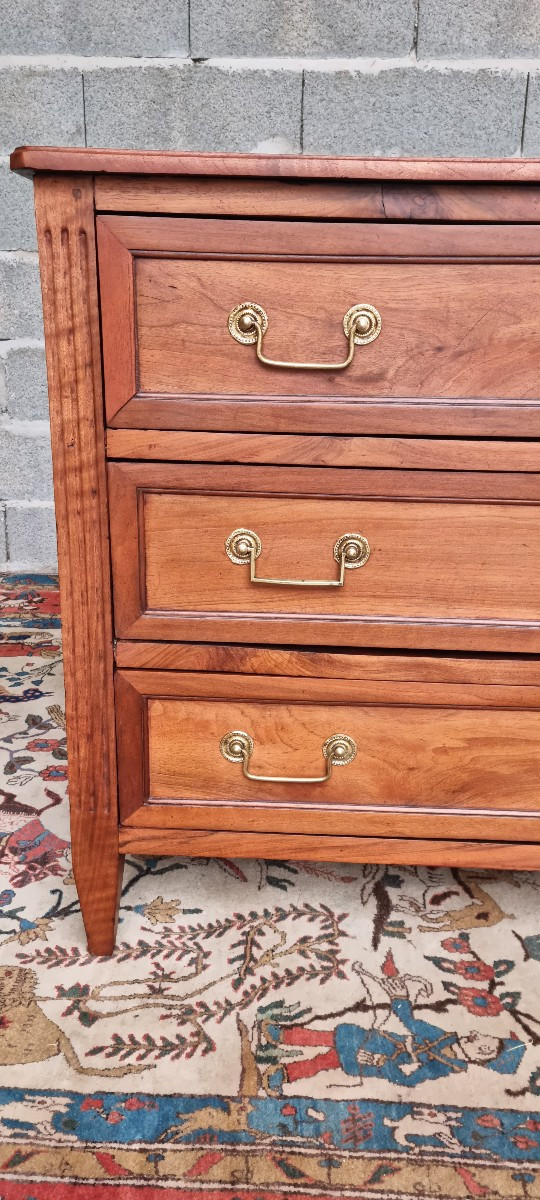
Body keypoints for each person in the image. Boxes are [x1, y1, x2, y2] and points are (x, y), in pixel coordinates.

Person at [256, 978, 526, 1094]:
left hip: (375, 1058)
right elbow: (412, 1023)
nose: (476, 1033)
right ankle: (282, 1035)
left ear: (483, 1055)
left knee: (326, 1062)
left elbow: (408, 1081)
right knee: (325, 1038)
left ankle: (284, 1073)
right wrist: (400, 999)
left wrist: (378, 1063)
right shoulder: (445, 1036)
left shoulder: (445, 1068)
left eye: (483, 1042)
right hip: (378, 1041)